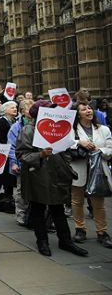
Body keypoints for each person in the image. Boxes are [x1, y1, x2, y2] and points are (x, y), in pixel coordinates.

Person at [15, 100, 88, 257]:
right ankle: (42, 241)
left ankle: (66, 241)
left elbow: (67, 148)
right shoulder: (28, 129)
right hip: (37, 174)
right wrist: (40, 154)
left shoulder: (58, 128)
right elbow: (22, 154)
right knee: (38, 209)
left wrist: (66, 163)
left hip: (57, 172)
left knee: (58, 209)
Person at [70, 101, 112, 248]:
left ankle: (102, 232)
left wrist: (98, 150)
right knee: (77, 202)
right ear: (77, 113)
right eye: (83, 109)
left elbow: (110, 149)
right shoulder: (72, 129)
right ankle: (80, 229)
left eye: (89, 108)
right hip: (79, 168)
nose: (88, 111)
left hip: (98, 170)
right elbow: (65, 144)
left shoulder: (104, 129)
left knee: (98, 204)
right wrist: (79, 143)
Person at [7, 99, 34, 226]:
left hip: (37, 163)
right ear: (23, 111)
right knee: (21, 191)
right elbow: (11, 147)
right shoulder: (16, 127)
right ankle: (21, 215)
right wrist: (13, 163)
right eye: (29, 109)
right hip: (21, 163)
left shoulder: (39, 123)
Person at [0, 101, 18, 209]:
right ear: (5, 109)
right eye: (12, 107)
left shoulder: (14, 121)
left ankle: (8, 196)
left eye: (16, 107)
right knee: (3, 176)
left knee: (9, 176)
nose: (15, 109)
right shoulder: (1, 122)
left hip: (12, 152)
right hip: (4, 152)